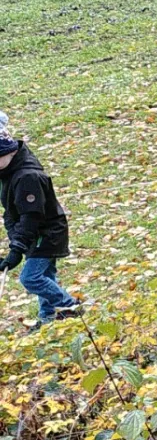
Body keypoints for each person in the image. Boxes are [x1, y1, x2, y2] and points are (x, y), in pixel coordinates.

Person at [0, 111, 82, 328]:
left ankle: (70, 306)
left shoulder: (27, 177)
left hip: (46, 234)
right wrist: (15, 242)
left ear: (8, 151)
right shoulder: (9, 173)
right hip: (35, 234)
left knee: (31, 278)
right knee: (46, 274)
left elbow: (31, 217)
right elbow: (11, 211)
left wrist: (17, 249)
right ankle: (48, 317)